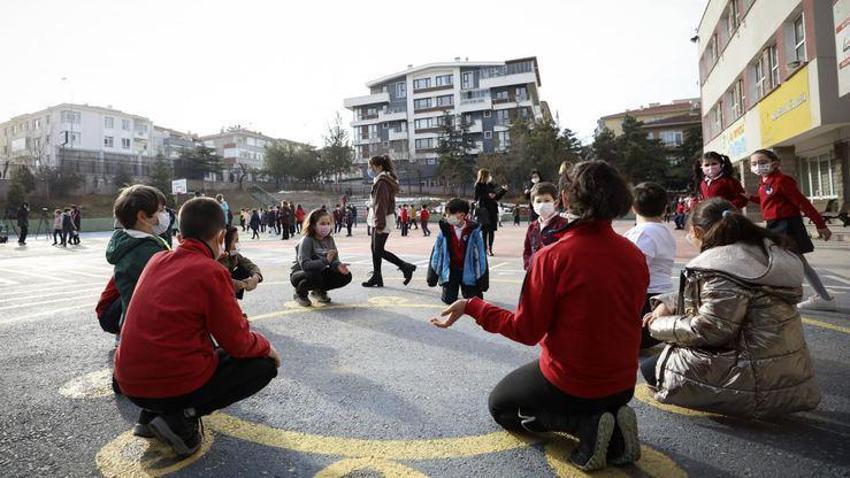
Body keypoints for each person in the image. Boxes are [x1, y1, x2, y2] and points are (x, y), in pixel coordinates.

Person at [430, 161, 648, 471]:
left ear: (565, 199)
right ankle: (613, 427)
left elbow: (526, 330)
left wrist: (472, 306)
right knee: (592, 393)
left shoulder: (553, 256)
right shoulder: (633, 254)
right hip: (624, 383)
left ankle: (584, 425)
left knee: (501, 407)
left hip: (573, 383)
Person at [114, 197, 279, 458]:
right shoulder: (211, 271)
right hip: (168, 384)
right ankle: (178, 417)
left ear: (181, 233)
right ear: (221, 236)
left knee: (191, 344)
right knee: (263, 365)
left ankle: (152, 415)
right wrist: (266, 347)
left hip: (128, 382)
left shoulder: (157, 259)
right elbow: (238, 342)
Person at [641, 198, 820, 417]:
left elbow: (709, 329)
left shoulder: (721, 268)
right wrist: (667, 303)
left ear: (697, 231)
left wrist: (658, 324)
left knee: (653, 368)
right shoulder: (759, 254)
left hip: (753, 380)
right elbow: (714, 298)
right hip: (789, 373)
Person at [747, 149, 835, 310]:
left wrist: (820, 224)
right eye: (754, 163)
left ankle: (823, 298)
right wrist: (749, 198)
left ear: (774, 163)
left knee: (797, 262)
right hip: (774, 224)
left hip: (787, 224)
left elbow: (802, 203)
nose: (758, 166)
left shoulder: (782, 180)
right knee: (790, 261)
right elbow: (767, 201)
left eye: (762, 162)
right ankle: (822, 297)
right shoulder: (765, 182)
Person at [106, 185, 171, 336]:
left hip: (134, 326)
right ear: (142, 217)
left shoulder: (132, 243)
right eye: (161, 211)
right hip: (147, 330)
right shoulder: (144, 252)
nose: (165, 215)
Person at [623, 182, 677, 349]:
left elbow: (631, 270)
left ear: (633, 208)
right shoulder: (665, 231)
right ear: (665, 209)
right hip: (664, 299)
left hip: (647, 302)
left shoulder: (642, 233)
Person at [362, 154, 416, 288]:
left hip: (382, 219)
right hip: (380, 218)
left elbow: (381, 204)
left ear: (379, 167)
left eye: (371, 167)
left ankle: (405, 266)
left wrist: (379, 224)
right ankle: (377, 276)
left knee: (378, 250)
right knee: (375, 249)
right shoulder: (382, 180)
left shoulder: (382, 182)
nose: (369, 170)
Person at [426, 198, 488, 304]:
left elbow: (480, 256)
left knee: (473, 302)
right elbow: (437, 252)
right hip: (451, 270)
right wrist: (433, 274)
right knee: (449, 300)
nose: (447, 217)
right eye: (446, 214)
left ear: (462, 215)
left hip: (468, 270)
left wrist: (482, 278)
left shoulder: (474, 232)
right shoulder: (445, 230)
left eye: (450, 214)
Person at [290, 208, 352, 307]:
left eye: (328, 223)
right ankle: (300, 292)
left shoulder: (329, 240)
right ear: (313, 225)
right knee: (315, 275)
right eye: (322, 224)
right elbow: (304, 264)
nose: (326, 226)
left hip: (319, 271)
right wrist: (325, 261)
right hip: (301, 273)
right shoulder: (307, 240)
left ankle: (318, 291)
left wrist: (338, 266)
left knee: (346, 276)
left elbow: (334, 260)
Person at [522, 182, 570, 271]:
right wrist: (528, 265)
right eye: (538, 201)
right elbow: (527, 250)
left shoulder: (563, 224)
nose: (542, 204)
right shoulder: (532, 227)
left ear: (556, 202)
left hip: (554, 272)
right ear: (533, 203)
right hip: (535, 271)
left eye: (547, 201)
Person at [219, 226, 262, 301]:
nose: (238, 244)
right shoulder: (217, 261)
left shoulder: (234, 255)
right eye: (236, 240)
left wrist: (256, 277)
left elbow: (250, 265)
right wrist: (243, 284)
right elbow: (222, 281)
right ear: (225, 243)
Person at [474, 169, 508, 256]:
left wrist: (503, 191)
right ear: (484, 176)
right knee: (484, 231)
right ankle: (484, 248)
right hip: (484, 211)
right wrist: (487, 196)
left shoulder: (490, 185)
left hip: (492, 210)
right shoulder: (478, 185)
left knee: (491, 230)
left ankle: (490, 248)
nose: (490, 177)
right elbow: (476, 198)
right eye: (488, 175)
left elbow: (496, 198)